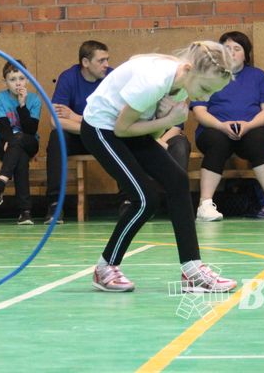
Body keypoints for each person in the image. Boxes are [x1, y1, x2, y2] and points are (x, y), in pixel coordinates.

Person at [81, 41, 238, 293]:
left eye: (212, 93)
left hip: (130, 128)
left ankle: (192, 270)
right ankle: (104, 268)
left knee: (177, 180)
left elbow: (150, 133)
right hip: (102, 129)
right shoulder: (154, 82)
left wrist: (161, 124)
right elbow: (122, 129)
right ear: (189, 69)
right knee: (145, 199)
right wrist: (168, 120)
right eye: (205, 88)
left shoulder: (182, 83)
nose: (205, 97)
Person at [191, 31, 264, 221]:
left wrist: (249, 124)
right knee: (216, 143)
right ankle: (205, 204)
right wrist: (221, 126)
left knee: (259, 141)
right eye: (227, 48)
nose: (232, 52)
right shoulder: (206, 76)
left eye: (237, 49)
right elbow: (200, 112)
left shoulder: (258, 76)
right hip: (214, 129)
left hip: (250, 129)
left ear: (246, 55)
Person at [44, 40, 113, 224]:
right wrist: (89, 125)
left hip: (104, 136)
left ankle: (128, 200)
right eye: (101, 61)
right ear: (85, 62)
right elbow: (55, 121)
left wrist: (75, 116)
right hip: (79, 137)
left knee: (122, 137)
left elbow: (115, 121)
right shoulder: (68, 78)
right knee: (56, 137)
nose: (106, 65)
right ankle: (55, 205)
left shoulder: (112, 77)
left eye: (107, 59)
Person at [0, 59, 41, 225]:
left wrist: (22, 105)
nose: (18, 83)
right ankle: (25, 212)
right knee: (21, 158)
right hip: (4, 142)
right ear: (5, 82)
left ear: (28, 80)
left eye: (21, 79)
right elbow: (2, 128)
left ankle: (0, 185)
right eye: (12, 79)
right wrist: (11, 141)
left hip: (29, 142)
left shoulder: (34, 100)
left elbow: (30, 130)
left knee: (20, 142)